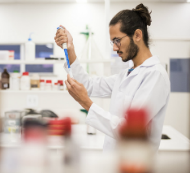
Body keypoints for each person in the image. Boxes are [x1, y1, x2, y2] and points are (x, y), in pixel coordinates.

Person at [54, 3, 170, 151]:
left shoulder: (155, 75)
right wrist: (70, 48)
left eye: (117, 40)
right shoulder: (127, 74)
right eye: (112, 42)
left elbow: (129, 129)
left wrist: (86, 103)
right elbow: (88, 85)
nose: (115, 48)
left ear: (137, 35)